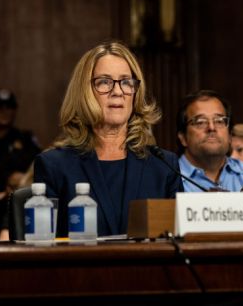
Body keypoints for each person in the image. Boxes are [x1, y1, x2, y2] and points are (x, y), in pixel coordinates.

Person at [34, 40, 182, 237]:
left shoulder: (163, 166)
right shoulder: (54, 166)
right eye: (104, 82)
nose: (118, 92)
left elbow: (180, 242)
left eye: (126, 82)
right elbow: (42, 248)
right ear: (84, 92)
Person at [176, 90, 243, 192]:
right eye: (200, 122)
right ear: (183, 137)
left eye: (219, 121)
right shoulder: (166, 179)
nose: (211, 127)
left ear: (230, 135)